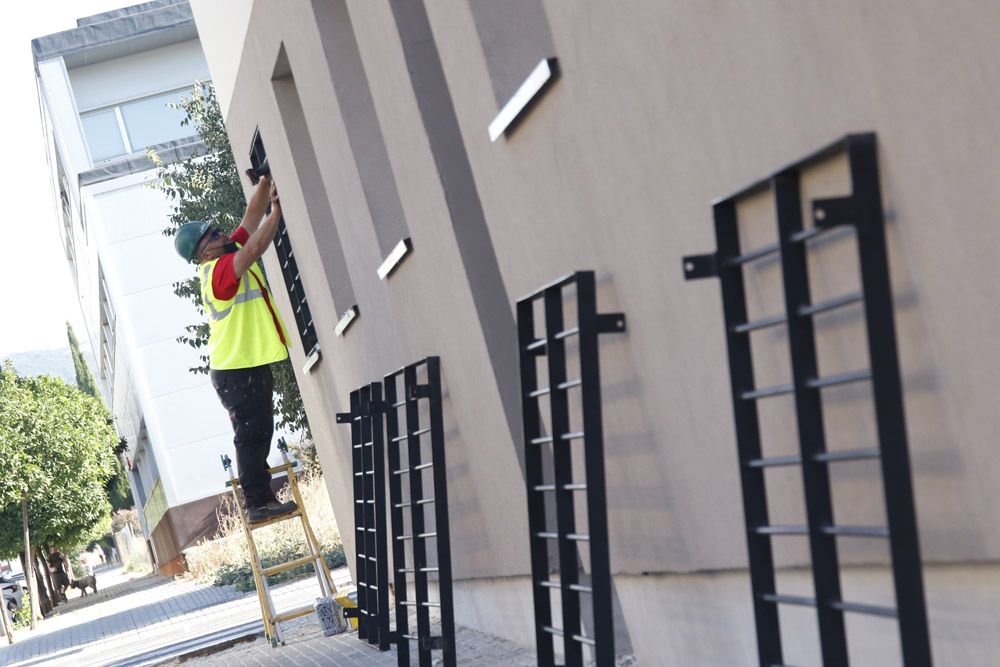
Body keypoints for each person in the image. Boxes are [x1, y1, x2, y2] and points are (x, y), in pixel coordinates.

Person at [173, 172, 297, 523]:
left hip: (241, 366)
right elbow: (257, 244)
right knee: (253, 433)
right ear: (203, 251)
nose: (223, 234)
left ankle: (261, 498)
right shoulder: (221, 270)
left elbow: (248, 221)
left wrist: (263, 186)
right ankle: (257, 502)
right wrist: (277, 213)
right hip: (236, 369)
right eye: (214, 235)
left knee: (258, 430)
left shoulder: (225, 252)